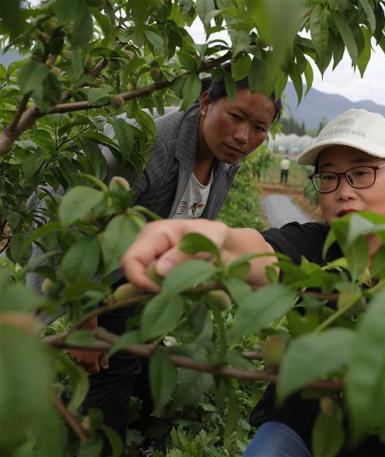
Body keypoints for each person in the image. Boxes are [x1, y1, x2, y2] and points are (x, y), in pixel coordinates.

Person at [121, 108, 385, 456]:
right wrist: (214, 243)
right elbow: (261, 251)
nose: (343, 192)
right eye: (329, 177)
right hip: (299, 425)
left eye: (361, 174)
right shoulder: (314, 246)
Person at [68, 63, 282, 443]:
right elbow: (88, 233)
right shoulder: (151, 145)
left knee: (132, 360)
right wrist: (85, 324)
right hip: (100, 272)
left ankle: (140, 428)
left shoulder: (224, 159)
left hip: (143, 277)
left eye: (259, 128)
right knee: (109, 375)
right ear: (204, 103)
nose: (242, 136)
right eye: (235, 116)